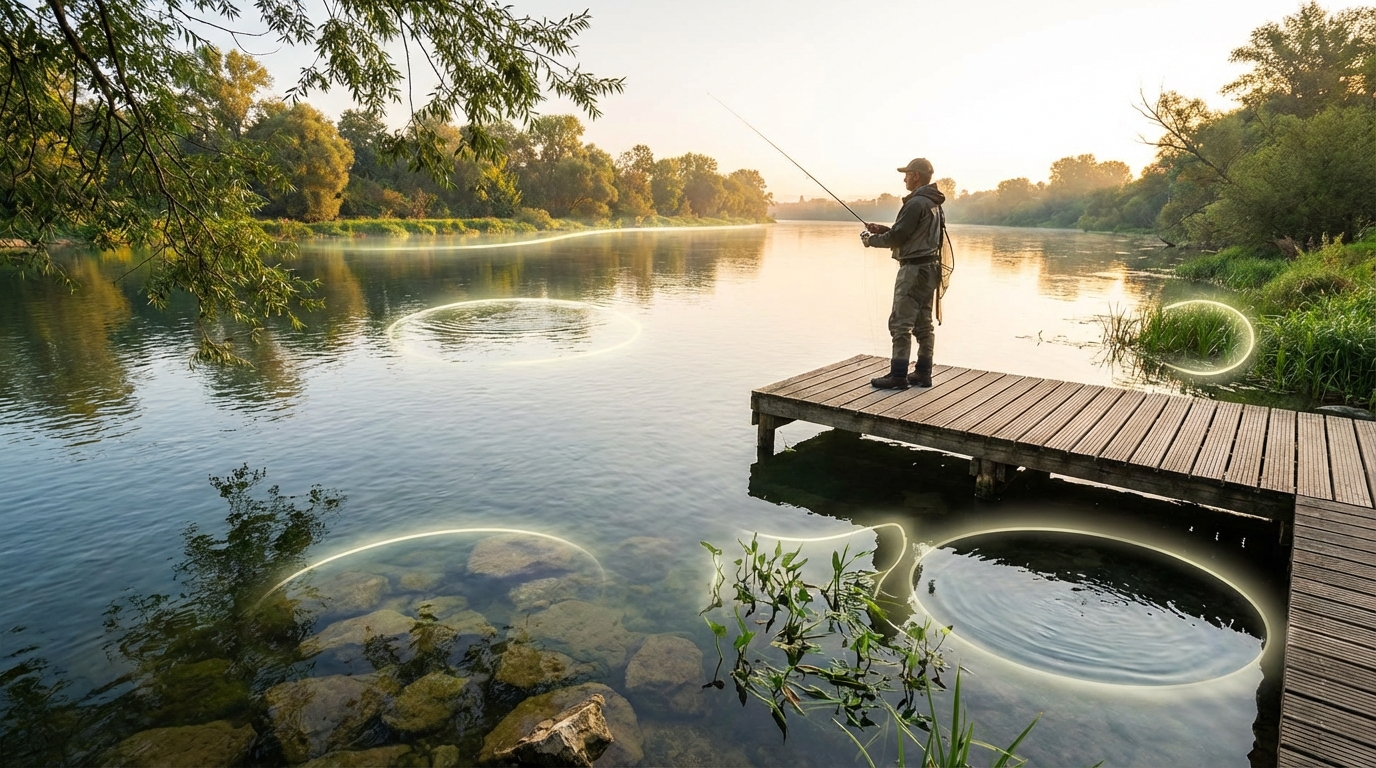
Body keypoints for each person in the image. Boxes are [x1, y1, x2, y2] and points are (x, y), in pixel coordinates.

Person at [860, 157, 946, 389]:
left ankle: (898, 376)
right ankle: (923, 373)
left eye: (907, 174)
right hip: (930, 270)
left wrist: (871, 240)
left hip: (914, 271)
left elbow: (898, 238)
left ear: (916, 175)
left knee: (900, 323)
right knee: (923, 324)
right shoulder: (933, 203)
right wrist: (884, 230)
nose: (904, 178)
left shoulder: (916, 202)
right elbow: (911, 234)